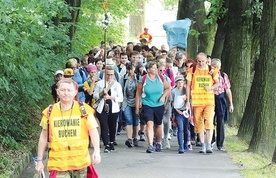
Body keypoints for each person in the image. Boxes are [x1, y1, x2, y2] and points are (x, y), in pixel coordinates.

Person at [35, 78, 101, 177]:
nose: (66, 93)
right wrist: (39, 160)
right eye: (63, 90)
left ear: (75, 92)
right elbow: (43, 137)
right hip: (58, 164)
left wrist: (97, 151)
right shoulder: (50, 112)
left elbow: (93, 131)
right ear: (57, 92)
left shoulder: (84, 110)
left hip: (80, 162)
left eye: (69, 90)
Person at [185, 52, 219, 154]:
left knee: (209, 121)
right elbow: (188, 86)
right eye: (199, 61)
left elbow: (217, 83)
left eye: (203, 61)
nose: (200, 63)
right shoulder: (192, 71)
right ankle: (202, 144)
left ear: (206, 60)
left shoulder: (212, 70)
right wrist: (188, 100)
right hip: (197, 102)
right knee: (198, 123)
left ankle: (209, 144)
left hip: (209, 101)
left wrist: (211, 87)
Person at [135, 61, 170, 153]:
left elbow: (168, 88)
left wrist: (163, 97)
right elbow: (138, 94)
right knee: (149, 124)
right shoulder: (143, 79)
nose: (156, 69)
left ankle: (158, 142)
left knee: (158, 124)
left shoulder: (161, 78)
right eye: (154, 68)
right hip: (147, 104)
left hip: (159, 105)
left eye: (156, 68)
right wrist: (137, 108)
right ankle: (150, 145)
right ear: (149, 70)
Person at [93, 66, 123, 153]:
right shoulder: (100, 84)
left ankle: (111, 141)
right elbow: (95, 95)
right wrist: (102, 92)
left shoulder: (117, 84)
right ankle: (106, 144)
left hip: (113, 108)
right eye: (108, 75)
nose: (109, 77)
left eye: (111, 75)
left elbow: (120, 98)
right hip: (102, 107)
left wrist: (111, 97)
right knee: (104, 125)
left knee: (112, 125)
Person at [211, 58, 234, 151]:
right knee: (210, 120)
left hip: (221, 99)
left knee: (220, 121)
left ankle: (220, 144)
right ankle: (211, 141)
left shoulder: (224, 76)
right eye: (214, 66)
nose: (216, 68)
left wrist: (230, 103)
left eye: (218, 67)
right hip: (211, 99)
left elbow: (228, 90)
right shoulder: (208, 75)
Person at [121, 62, 139, 148]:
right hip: (126, 101)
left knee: (135, 121)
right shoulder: (124, 78)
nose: (130, 71)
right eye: (128, 69)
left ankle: (135, 137)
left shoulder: (138, 78)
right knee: (129, 120)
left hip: (136, 101)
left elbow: (141, 90)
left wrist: (140, 102)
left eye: (131, 69)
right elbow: (121, 90)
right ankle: (129, 139)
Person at [171, 75, 189, 153]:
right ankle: (180, 146)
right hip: (178, 112)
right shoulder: (174, 91)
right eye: (178, 82)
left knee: (186, 129)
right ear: (176, 83)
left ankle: (185, 144)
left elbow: (189, 101)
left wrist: (186, 100)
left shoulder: (186, 90)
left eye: (181, 82)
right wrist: (177, 110)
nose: (180, 84)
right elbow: (172, 102)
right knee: (180, 129)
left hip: (186, 111)